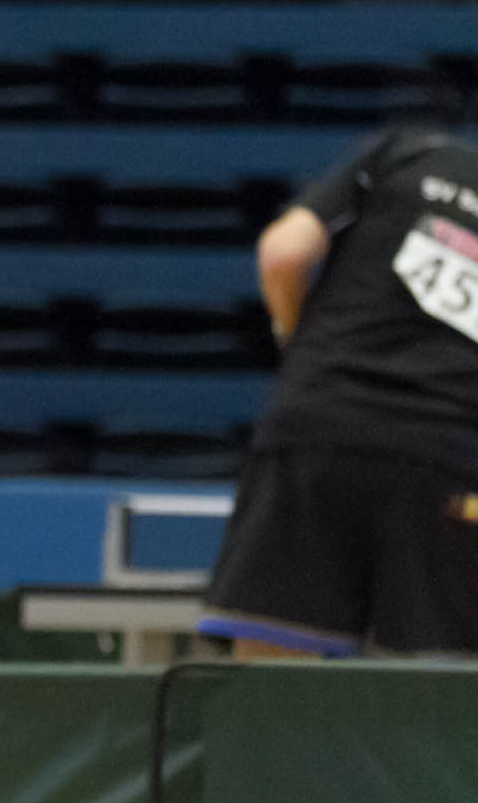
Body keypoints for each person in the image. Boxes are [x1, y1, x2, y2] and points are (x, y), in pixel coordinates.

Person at [201, 127, 478, 659]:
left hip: (321, 417)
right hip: (448, 453)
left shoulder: (406, 154)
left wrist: (296, 344)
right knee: (434, 686)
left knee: (272, 664)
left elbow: (283, 254)